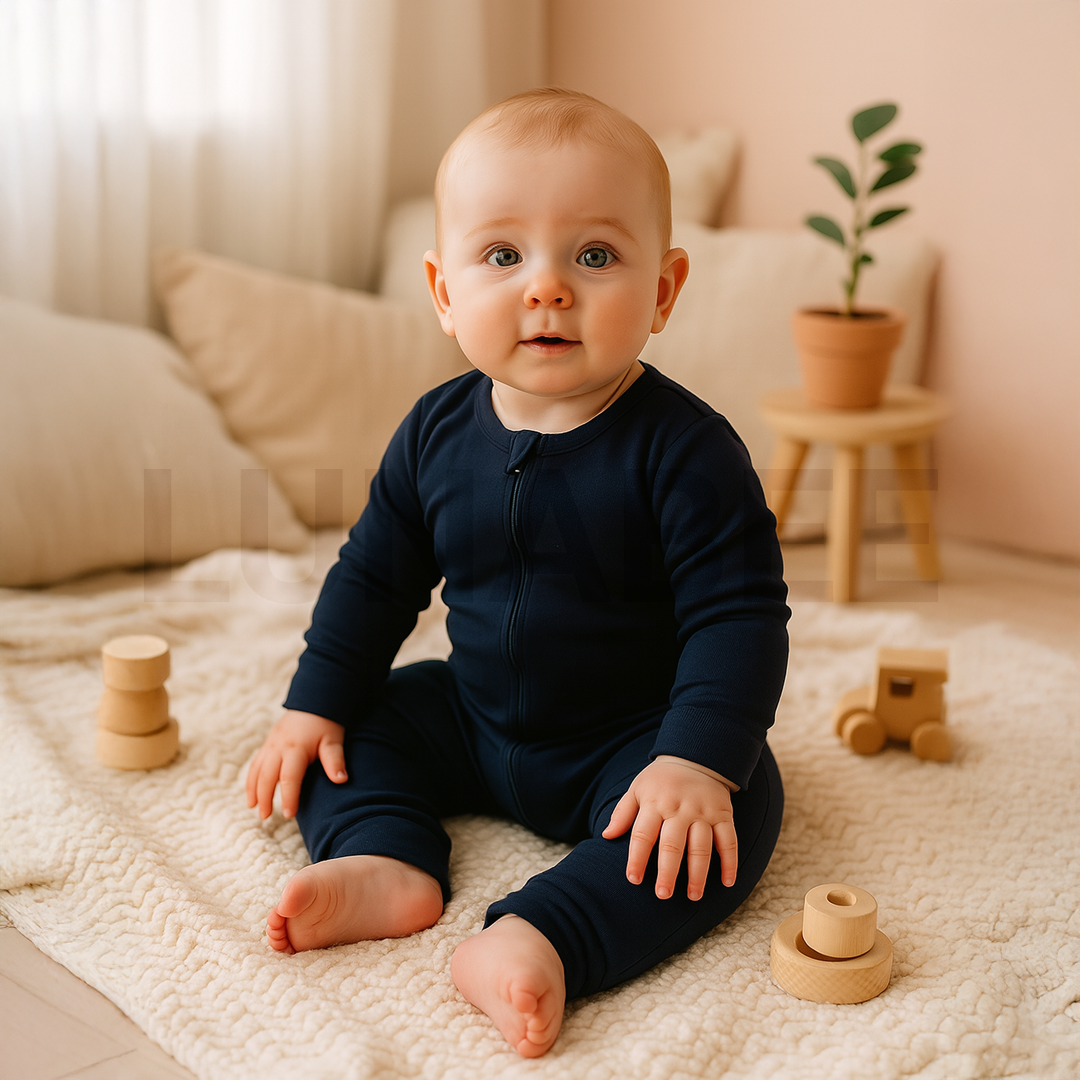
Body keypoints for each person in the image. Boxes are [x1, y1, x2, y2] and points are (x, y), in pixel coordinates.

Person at [246, 87, 789, 1058]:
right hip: (475, 716)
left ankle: (542, 933)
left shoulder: (687, 451)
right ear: (445, 291)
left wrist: (694, 757)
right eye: (503, 255)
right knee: (345, 728)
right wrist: (311, 701)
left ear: (663, 290)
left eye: (594, 255)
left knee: (735, 805)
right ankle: (384, 860)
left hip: (630, 742)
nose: (548, 287)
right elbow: (374, 579)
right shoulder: (433, 433)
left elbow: (738, 616)